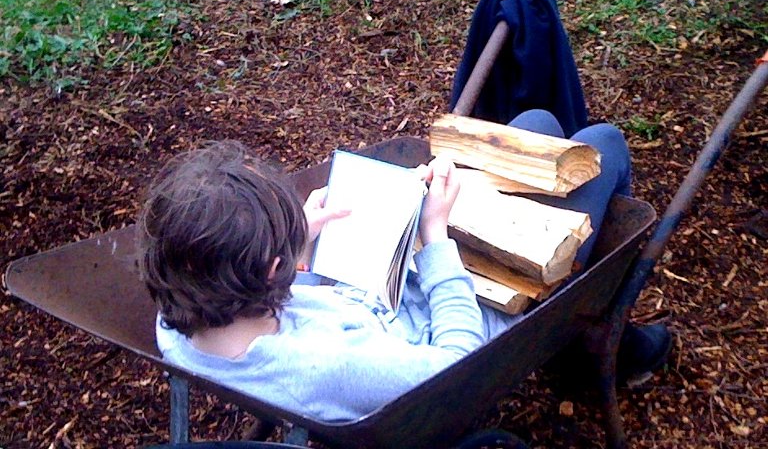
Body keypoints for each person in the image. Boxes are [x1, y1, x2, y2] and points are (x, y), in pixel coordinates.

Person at [138, 111, 668, 423]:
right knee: (602, 146)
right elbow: (458, 369)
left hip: (389, 291)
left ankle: (589, 333)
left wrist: (301, 245)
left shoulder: (182, 317)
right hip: (475, 313)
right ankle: (593, 336)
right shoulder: (334, 367)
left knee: (538, 127)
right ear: (270, 269)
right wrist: (434, 237)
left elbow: (290, 307)